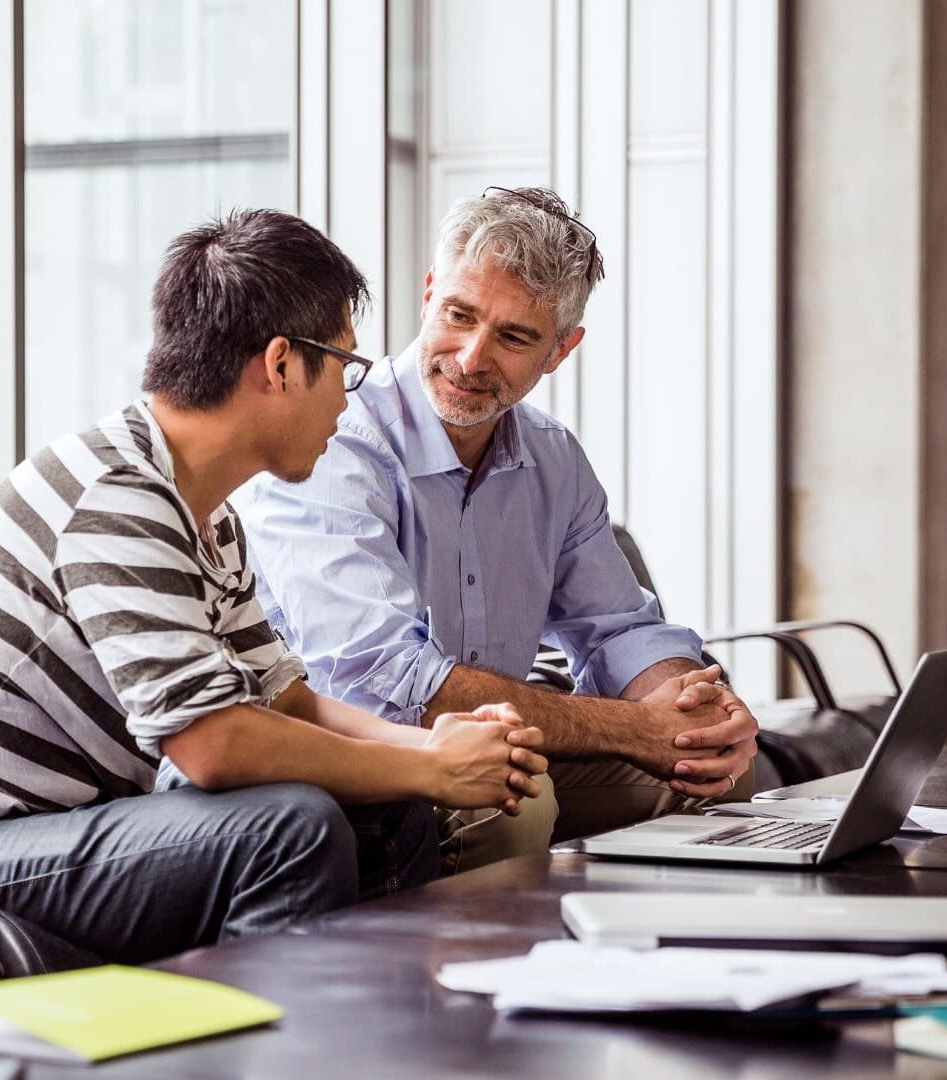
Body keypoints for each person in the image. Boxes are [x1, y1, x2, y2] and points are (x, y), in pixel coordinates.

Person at [0, 209, 550, 962]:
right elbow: (213, 744)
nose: (349, 400)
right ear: (280, 365)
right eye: (344, 368)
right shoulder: (116, 499)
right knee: (292, 828)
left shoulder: (203, 513)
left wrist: (431, 751)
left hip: (59, 832)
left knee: (393, 806)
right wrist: (431, 764)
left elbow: (288, 702)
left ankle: (381, 1032)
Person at [235, 187, 759, 870]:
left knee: (714, 772)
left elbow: (620, 629)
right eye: (458, 315)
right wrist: (638, 727)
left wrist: (693, 710)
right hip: (361, 754)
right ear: (429, 295)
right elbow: (387, 682)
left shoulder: (552, 458)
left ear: (561, 351)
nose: (472, 357)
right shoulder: (333, 441)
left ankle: (647, 971)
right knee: (517, 797)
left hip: (497, 749)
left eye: (514, 337)